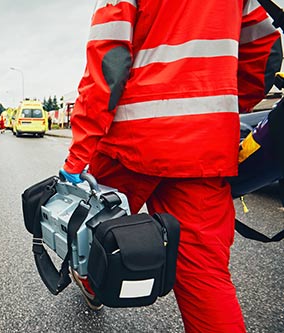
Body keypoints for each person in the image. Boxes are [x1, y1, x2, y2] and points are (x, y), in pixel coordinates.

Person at [60, 1, 281, 331]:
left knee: (95, 230)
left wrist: (78, 156)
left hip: (129, 143)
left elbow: (109, 64)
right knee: (205, 278)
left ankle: (94, 284)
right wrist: (216, 114)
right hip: (202, 151)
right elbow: (265, 55)